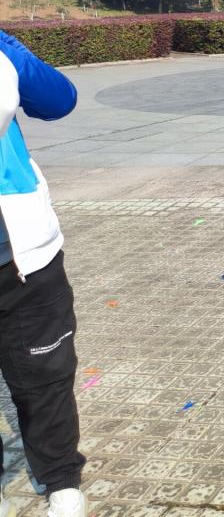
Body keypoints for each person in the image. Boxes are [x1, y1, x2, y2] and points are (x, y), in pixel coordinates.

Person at [0, 32, 87, 517]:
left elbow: (57, 100)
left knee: (46, 373)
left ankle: (60, 478)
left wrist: (6, 46)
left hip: (24, 250)